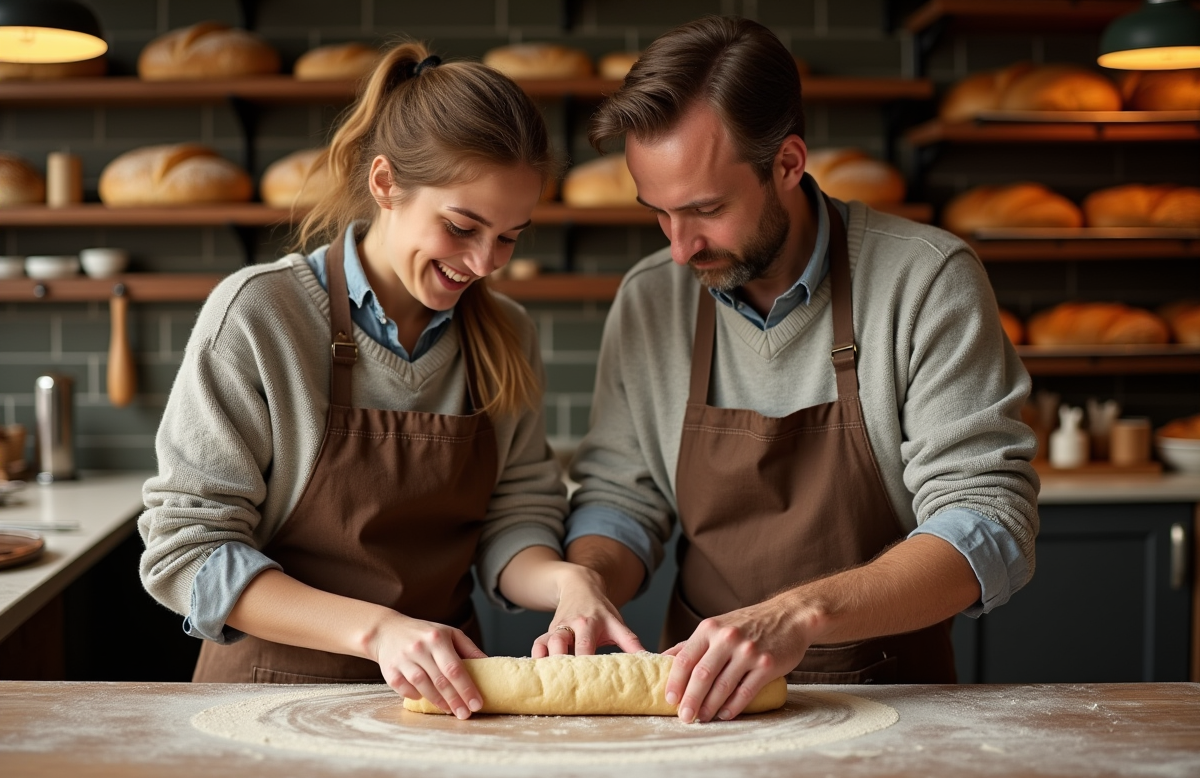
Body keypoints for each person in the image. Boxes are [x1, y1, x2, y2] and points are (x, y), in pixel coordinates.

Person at [138, 41, 641, 719]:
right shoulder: (262, 314)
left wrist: (569, 581)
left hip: (445, 699)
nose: (485, 262)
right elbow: (187, 551)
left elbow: (514, 517)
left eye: (511, 236)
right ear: (385, 185)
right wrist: (378, 631)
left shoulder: (505, 334)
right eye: (462, 226)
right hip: (262, 698)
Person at [557, 16, 1039, 722]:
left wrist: (800, 614)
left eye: (706, 210)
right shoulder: (649, 299)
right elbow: (620, 499)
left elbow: (988, 523)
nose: (681, 248)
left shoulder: (926, 279)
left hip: (895, 704)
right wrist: (589, 579)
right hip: (696, 703)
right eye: (657, 213)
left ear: (787, 163)